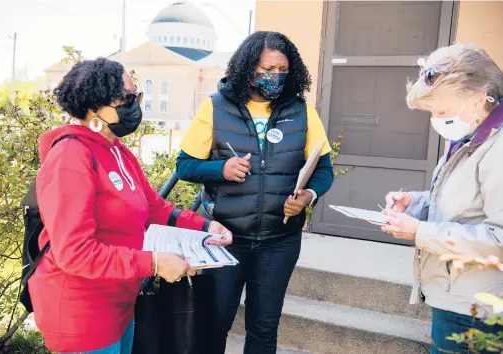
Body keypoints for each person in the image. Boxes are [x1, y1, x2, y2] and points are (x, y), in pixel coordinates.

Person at [28, 58, 232, 354]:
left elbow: (153, 208)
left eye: (136, 96)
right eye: (125, 98)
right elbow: (75, 253)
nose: (135, 105)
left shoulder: (118, 152)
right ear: (94, 107)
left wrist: (205, 226)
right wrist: (154, 262)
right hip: (81, 315)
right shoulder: (70, 158)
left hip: (120, 301)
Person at [176, 31, 334, 354]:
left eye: (282, 70)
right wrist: (221, 169)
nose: (275, 77)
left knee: (264, 329)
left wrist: (309, 196)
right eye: (267, 70)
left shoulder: (302, 112)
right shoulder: (216, 108)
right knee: (214, 324)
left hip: (280, 242)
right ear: (248, 69)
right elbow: (184, 165)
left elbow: (324, 169)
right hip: (225, 239)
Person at [381, 43, 503, 354]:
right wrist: (415, 203)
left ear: (479, 97)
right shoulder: (471, 137)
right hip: (458, 297)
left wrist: (419, 232)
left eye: (443, 110)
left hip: (478, 312)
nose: (437, 120)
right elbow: (464, 204)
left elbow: (499, 238)